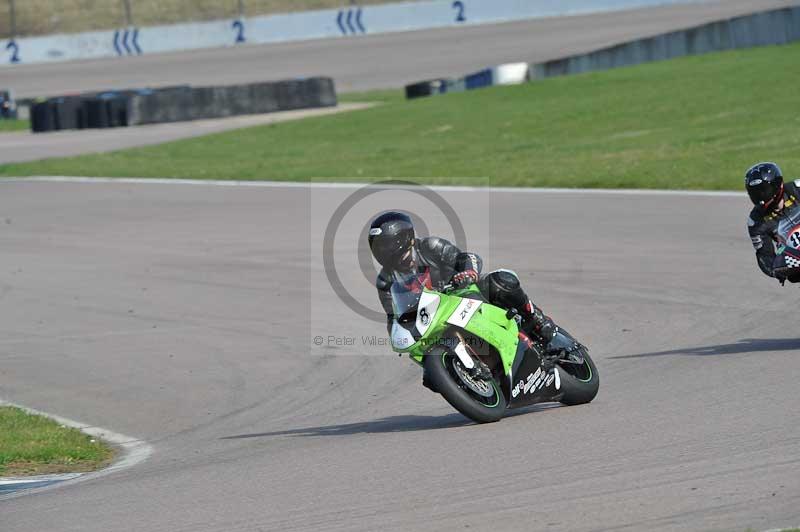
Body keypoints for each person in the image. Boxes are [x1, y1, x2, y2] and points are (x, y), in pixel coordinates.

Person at [367, 211, 557, 349]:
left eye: (386, 245)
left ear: (403, 238)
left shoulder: (429, 246)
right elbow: (394, 316)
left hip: (463, 294)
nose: (383, 251)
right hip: (436, 319)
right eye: (378, 247)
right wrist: (399, 336)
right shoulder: (385, 281)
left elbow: (466, 258)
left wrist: (466, 273)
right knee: (430, 376)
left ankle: (536, 319)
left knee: (500, 281)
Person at [745, 162, 800, 283]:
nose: (760, 197)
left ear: (777, 185)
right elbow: (764, 255)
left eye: (764, 191)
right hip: (795, 259)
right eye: (755, 193)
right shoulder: (755, 221)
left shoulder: (797, 189)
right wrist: (776, 271)